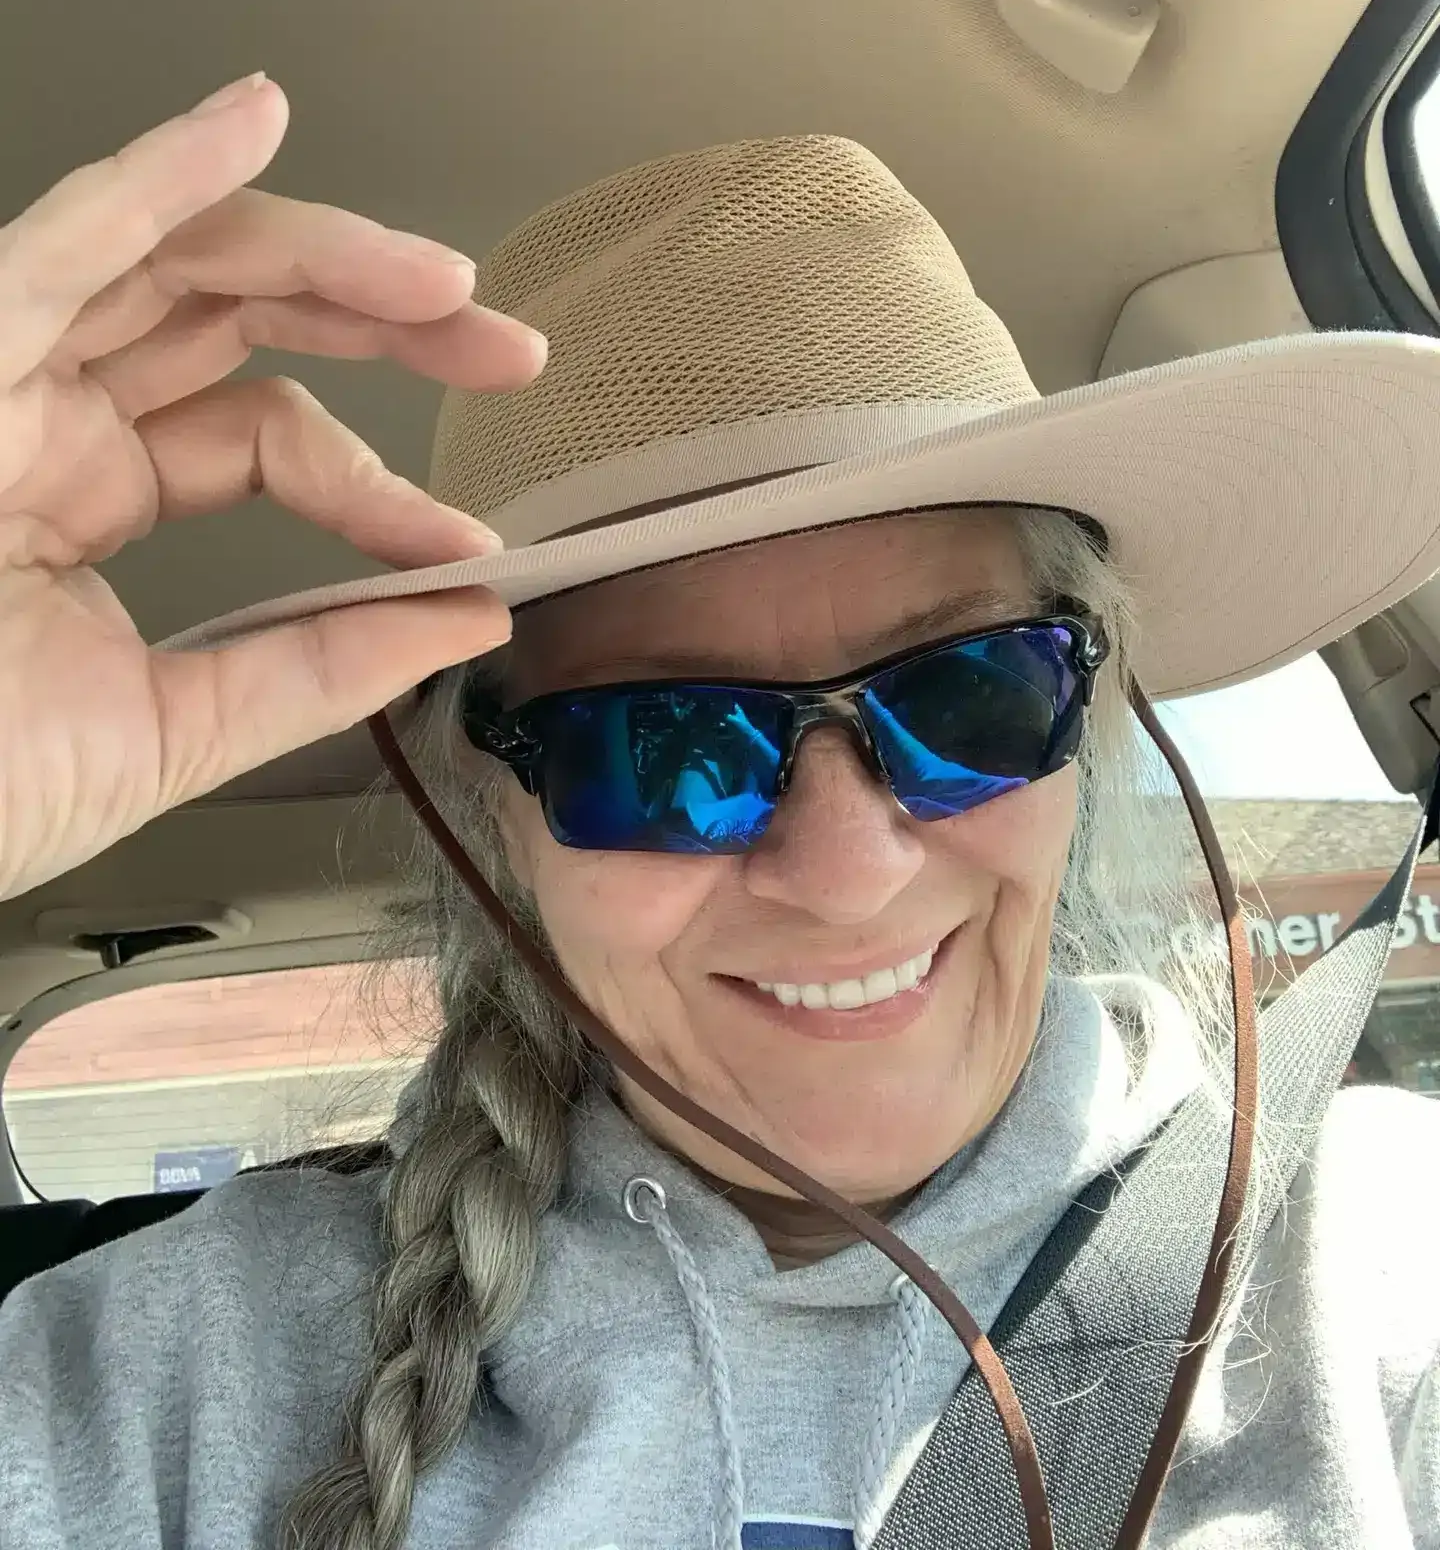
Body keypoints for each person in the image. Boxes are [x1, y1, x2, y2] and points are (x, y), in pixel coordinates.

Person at [2, 74, 1440, 1550]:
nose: (845, 870)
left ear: (1084, 705)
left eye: (968, 695)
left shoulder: (1379, 1268)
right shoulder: (158, 1384)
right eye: (662, 744)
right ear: (493, 813)